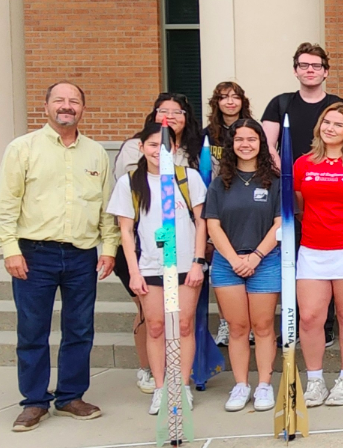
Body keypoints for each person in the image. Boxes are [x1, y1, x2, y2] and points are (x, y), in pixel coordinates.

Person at [0, 81, 118, 431]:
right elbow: (5, 204)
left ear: (83, 108)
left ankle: (70, 396)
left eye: (74, 101)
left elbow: (107, 208)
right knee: (32, 331)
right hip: (34, 255)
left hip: (81, 255)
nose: (67, 106)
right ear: (46, 106)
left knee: (79, 329)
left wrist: (109, 248)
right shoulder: (22, 148)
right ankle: (34, 402)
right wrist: (10, 249)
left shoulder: (95, 153)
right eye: (60, 100)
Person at [107, 122, 208, 416]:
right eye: (151, 145)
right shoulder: (130, 183)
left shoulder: (187, 178)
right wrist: (134, 272)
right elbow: (126, 231)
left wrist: (198, 262)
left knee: (184, 325)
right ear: (141, 147)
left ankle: (182, 385)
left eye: (163, 145)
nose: (157, 150)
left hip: (185, 264)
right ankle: (162, 387)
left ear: (174, 149)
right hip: (150, 265)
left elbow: (201, 222)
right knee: (155, 327)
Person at [262, 42, 343, 348]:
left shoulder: (338, 104)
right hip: (291, 193)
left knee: (329, 259)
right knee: (296, 258)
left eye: (315, 66)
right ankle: (298, 322)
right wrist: (292, 177)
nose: (309, 70)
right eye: (304, 65)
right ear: (296, 69)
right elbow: (269, 146)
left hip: (330, 191)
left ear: (325, 71)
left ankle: (326, 326)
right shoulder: (280, 104)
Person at [294, 103, 343, 408]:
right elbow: (300, 205)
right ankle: (315, 380)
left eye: (338, 124)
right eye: (326, 122)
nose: (330, 128)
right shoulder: (303, 163)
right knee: (311, 316)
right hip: (313, 249)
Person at [204, 119, 281, 412]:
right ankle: (240, 385)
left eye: (251, 139)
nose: (245, 144)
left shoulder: (273, 182)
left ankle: (263, 384)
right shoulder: (219, 182)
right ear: (230, 145)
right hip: (228, 264)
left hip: (265, 261)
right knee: (237, 328)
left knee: (262, 327)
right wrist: (235, 260)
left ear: (261, 143)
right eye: (239, 139)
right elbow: (213, 225)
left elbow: (279, 223)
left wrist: (256, 257)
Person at [205, 81, 255, 348]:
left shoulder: (251, 129)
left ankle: (246, 323)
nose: (230, 102)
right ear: (217, 102)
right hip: (218, 201)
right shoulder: (207, 135)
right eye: (224, 97)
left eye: (235, 97)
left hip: (245, 200)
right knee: (223, 265)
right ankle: (227, 322)